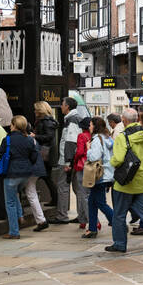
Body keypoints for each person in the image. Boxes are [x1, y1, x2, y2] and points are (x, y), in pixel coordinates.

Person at [106, 108, 143, 254]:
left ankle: (120, 244)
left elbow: (118, 159)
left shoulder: (122, 137)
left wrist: (110, 162)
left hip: (124, 183)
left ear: (124, 120)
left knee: (119, 214)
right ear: (137, 120)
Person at [0, 116, 47, 238]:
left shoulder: (8, 139)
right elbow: (34, 156)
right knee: (15, 194)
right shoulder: (29, 139)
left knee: (10, 202)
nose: (10, 126)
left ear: (14, 125)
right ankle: (20, 216)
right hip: (26, 175)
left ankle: (14, 232)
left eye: (11, 124)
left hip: (12, 174)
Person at [82, 117, 116, 239]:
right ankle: (92, 228)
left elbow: (94, 157)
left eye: (91, 125)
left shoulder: (97, 139)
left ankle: (117, 223)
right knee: (92, 202)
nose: (89, 127)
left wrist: (88, 149)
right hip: (108, 173)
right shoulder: (107, 138)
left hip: (99, 175)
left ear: (95, 126)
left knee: (101, 203)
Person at [33, 101, 66, 222]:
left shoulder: (46, 122)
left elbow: (48, 137)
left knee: (45, 177)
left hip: (45, 153)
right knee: (46, 177)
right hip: (47, 153)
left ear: (40, 110)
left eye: (36, 109)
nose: (34, 112)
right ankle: (54, 199)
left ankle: (55, 199)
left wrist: (34, 136)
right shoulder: (46, 121)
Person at [60, 97, 89, 226]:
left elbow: (70, 142)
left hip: (71, 161)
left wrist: (68, 162)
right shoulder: (75, 118)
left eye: (62, 104)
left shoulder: (72, 119)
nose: (61, 106)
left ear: (67, 106)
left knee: (64, 187)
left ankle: (64, 215)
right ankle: (82, 216)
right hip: (75, 161)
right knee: (79, 189)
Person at [71, 116, 92, 231]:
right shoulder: (94, 136)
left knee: (82, 195)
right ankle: (82, 220)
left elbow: (79, 152)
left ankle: (91, 221)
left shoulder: (81, 136)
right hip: (92, 167)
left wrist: (74, 160)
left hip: (82, 166)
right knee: (87, 194)